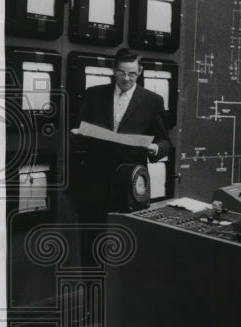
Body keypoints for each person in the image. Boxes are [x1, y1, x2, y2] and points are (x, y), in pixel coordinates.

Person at [70, 47, 172, 221]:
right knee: (91, 236)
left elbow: (165, 141)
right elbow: (77, 128)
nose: (126, 78)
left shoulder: (153, 101)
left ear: (140, 71)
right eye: (121, 72)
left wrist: (156, 148)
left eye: (132, 74)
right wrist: (76, 134)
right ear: (113, 69)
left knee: (126, 234)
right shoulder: (94, 94)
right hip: (95, 179)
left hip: (131, 180)